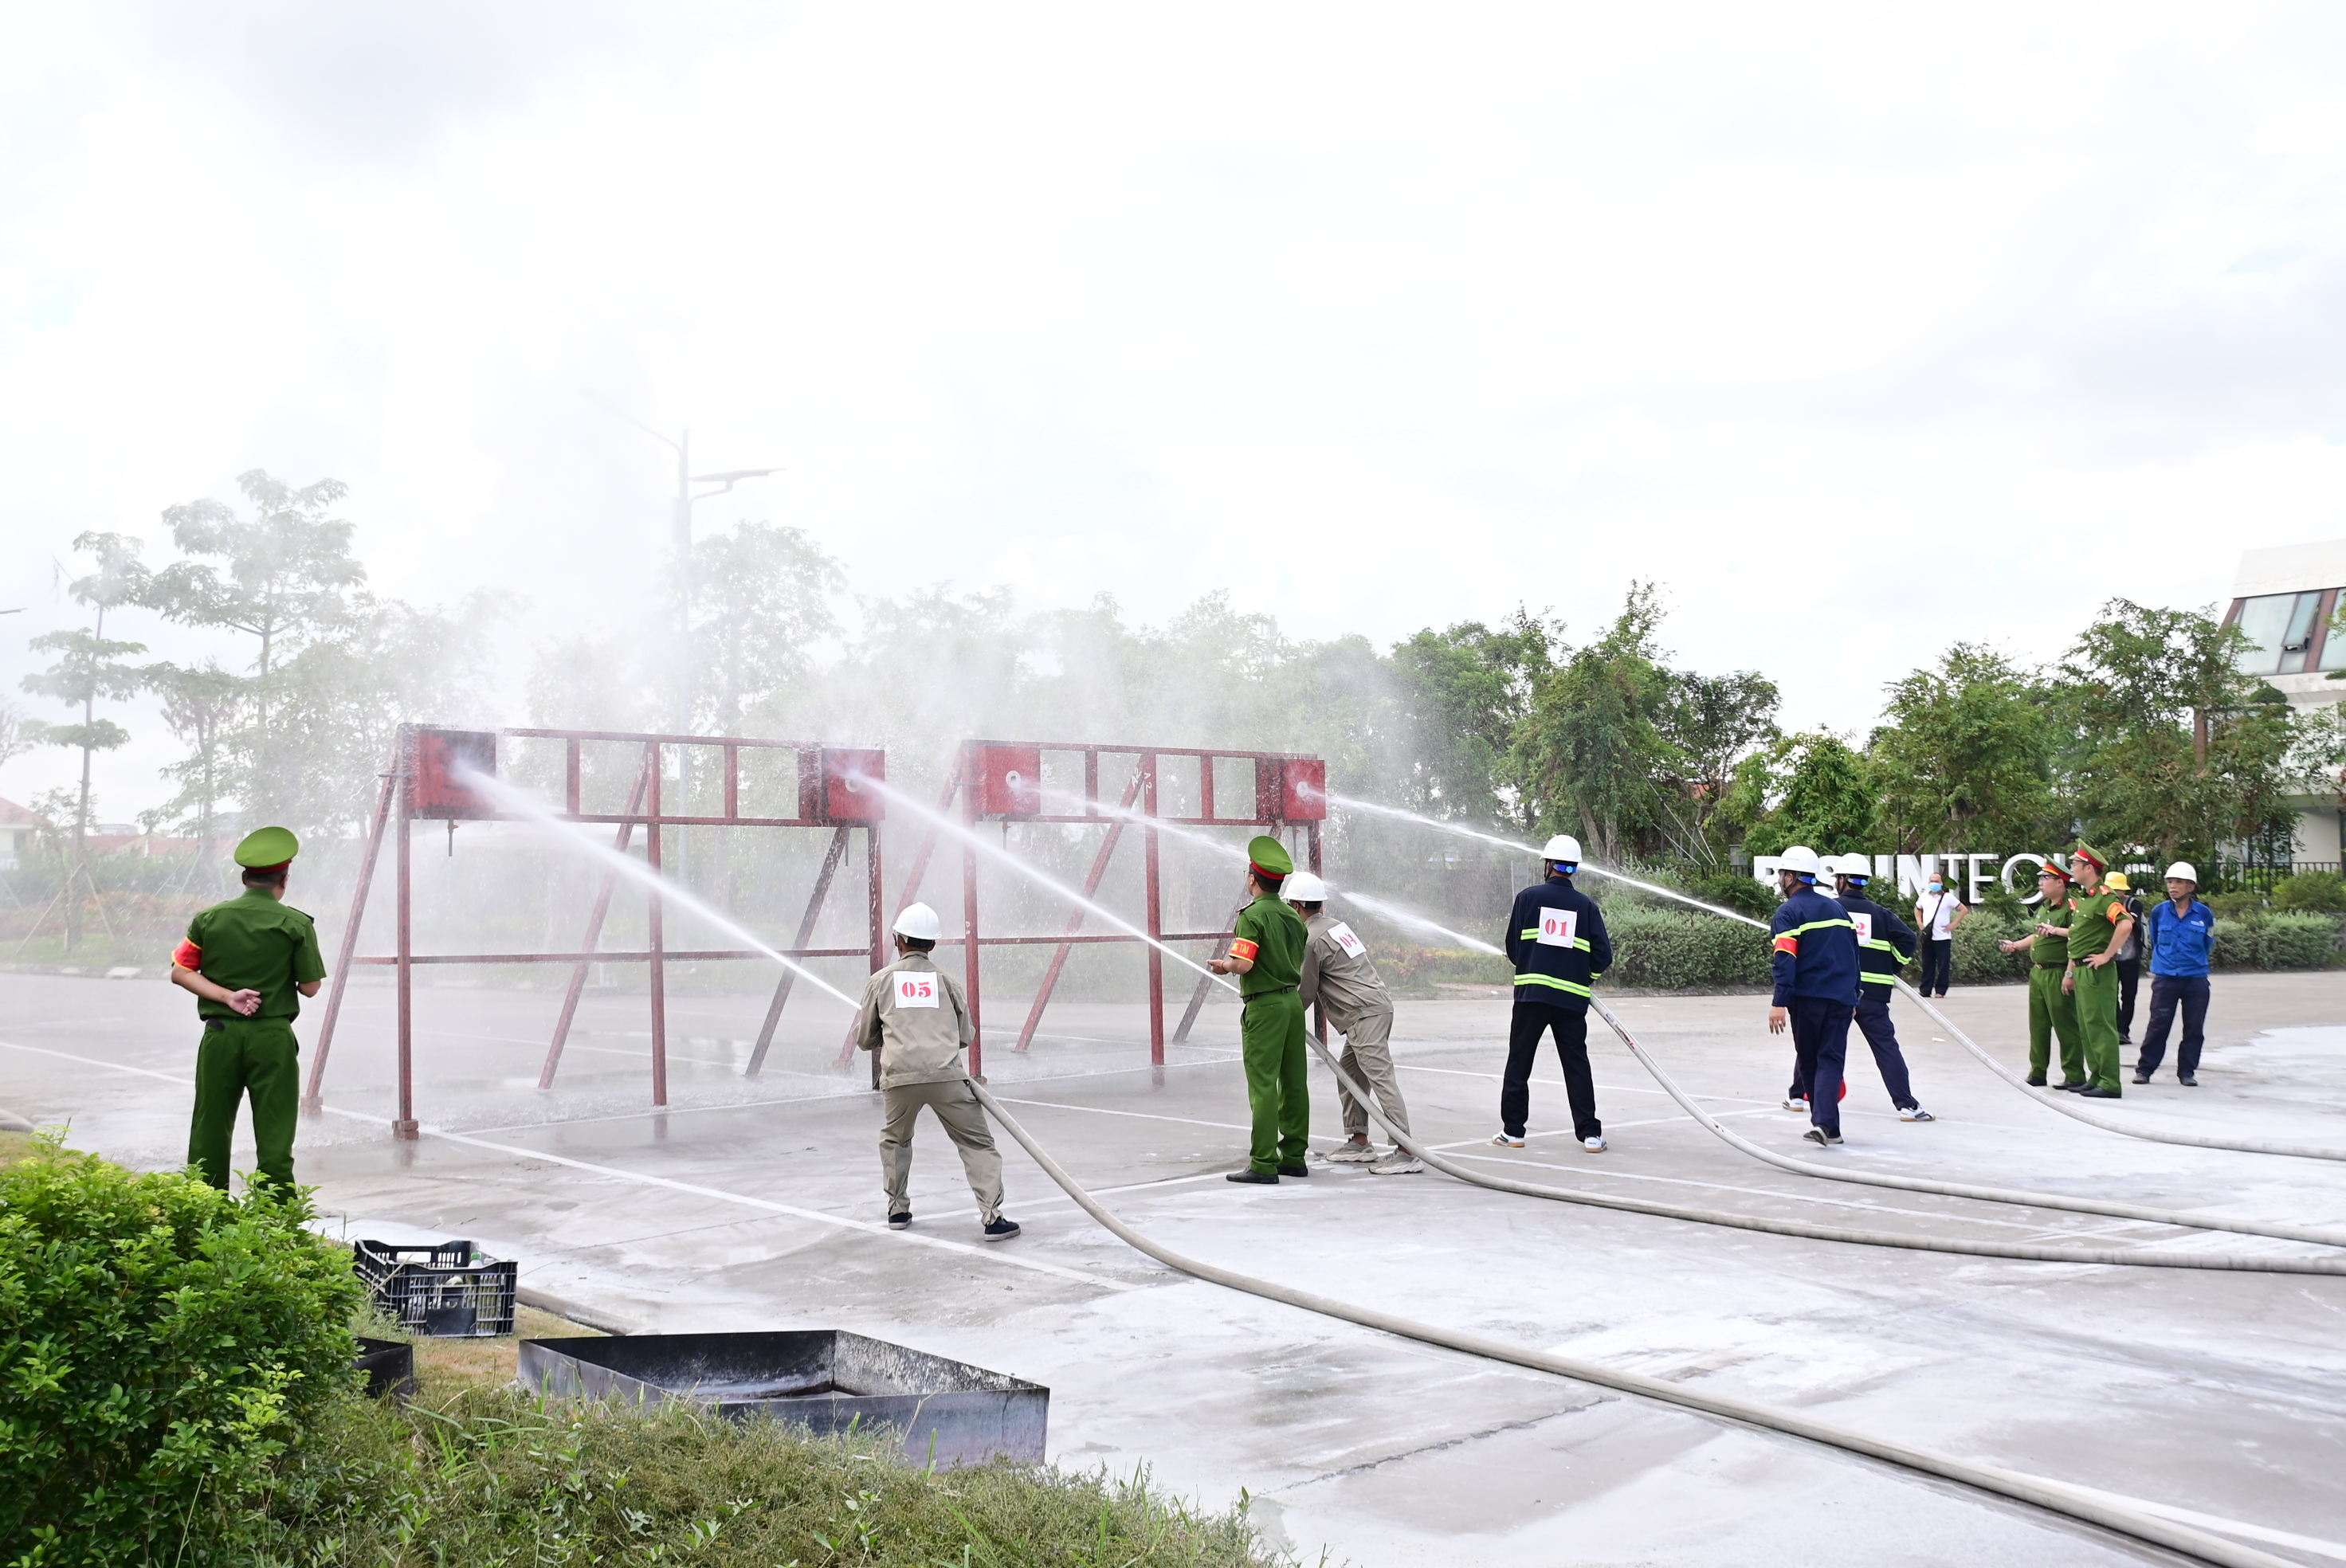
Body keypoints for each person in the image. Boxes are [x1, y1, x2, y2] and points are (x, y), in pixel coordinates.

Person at [170, 826, 326, 1194]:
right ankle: (274, 1220)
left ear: (244, 878)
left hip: (220, 1034)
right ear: (284, 880)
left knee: (209, 1127)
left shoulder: (209, 920)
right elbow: (311, 988)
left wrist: (227, 996)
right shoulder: (296, 924)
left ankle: (204, 1211)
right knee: (275, 1131)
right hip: (272, 1038)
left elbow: (180, 971)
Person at [853, 901, 1019, 1240]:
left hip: (899, 1080)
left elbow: (866, 1039)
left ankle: (898, 1210)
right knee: (976, 1143)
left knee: (895, 1140)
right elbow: (966, 1036)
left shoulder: (880, 982)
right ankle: (992, 1217)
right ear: (932, 944)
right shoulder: (947, 982)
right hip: (947, 1078)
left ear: (899, 940)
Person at [1288, 872, 1420, 1175]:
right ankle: (1359, 1141)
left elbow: (1305, 992)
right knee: (1349, 1072)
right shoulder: (1336, 928)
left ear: (1296, 906)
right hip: (1376, 1007)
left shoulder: (1310, 940)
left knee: (1380, 1079)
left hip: (1364, 1014)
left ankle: (1405, 1150)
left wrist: (1283, 1016)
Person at [1494, 834, 1613, 1153]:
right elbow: (1603, 956)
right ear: (1574, 869)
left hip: (1531, 997)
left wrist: (1532, 963)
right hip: (1571, 1001)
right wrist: (1583, 977)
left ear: (1548, 866)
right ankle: (1590, 1135)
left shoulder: (1527, 898)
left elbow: (1513, 948)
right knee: (1576, 1065)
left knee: (1519, 1061)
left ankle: (1513, 1132)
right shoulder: (1586, 906)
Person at [1209, 836, 1311, 1184]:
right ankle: (1294, 1156)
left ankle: (1264, 1162)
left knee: (1264, 1084)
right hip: (1292, 1004)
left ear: (1252, 879)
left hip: (1265, 1006)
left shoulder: (1252, 917)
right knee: (1295, 1081)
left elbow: (1244, 964)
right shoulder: (1293, 916)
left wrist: (1223, 965)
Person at [1766, 846, 1861, 1147]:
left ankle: (1823, 1123)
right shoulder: (1838, 909)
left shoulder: (1789, 912)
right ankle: (1829, 1128)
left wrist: (1779, 1002)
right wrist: (1854, 995)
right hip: (1842, 998)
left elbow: (1785, 959)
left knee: (1809, 1059)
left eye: (1782, 874)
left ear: (1792, 877)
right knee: (1831, 1059)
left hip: (1808, 999)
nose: (1780, 880)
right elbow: (1853, 956)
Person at [1829, 855, 1933, 1122]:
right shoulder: (1880, 914)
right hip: (1873, 996)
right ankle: (1908, 1106)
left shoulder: (1830, 910)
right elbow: (1909, 940)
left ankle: (1798, 1095)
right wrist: (1891, 967)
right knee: (1886, 1048)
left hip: (1837, 993)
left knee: (1823, 1044)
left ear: (1842, 880)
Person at [2056, 842, 2134, 1099]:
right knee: (2088, 1027)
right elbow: (2078, 940)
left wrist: (2107, 955)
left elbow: (2126, 924)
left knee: (2101, 1026)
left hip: (2096, 971)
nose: (2072, 869)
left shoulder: (2104, 897)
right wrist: (2070, 972)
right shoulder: (2085, 900)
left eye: (2075, 864)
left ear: (2088, 867)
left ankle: (2110, 1082)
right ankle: (2096, 1076)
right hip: (2081, 970)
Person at [2000, 863, 2084, 1090]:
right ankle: (2038, 1071)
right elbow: (2037, 936)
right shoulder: (2044, 908)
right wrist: (2015, 945)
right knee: (2038, 1025)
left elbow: (2077, 940)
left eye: (2046, 878)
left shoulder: (2072, 907)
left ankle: (2074, 1074)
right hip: (2038, 972)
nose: (2041, 883)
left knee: (2066, 1025)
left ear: (2060, 882)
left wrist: (2070, 973)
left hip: (2058, 972)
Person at [2136, 862, 2217, 1087]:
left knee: (2194, 1027)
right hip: (2166, 978)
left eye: (2179, 882)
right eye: (2170, 882)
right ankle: (2145, 1070)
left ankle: (2187, 1072)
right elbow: (2154, 938)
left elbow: (2209, 941)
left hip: (2196, 978)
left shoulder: (2204, 914)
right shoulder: (2160, 912)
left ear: (2191, 887)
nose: (2173, 886)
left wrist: (2194, 961)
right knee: (2158, 1025)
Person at [1912, 868, 1968, 998]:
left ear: (1941, 883)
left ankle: (1940, 990)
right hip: (1928, 936)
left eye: (1936, 881)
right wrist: (1920, 923)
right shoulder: (1924, 897)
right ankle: (1925, 989)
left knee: (1943, 965)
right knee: (1927, 964)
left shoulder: (1948, 898)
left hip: (1943, 937)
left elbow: (1963, 910)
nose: (1934, 883)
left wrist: (1954, 924)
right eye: (1932, 881)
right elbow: (1918, 909)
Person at [2106, 872, 2146, 1046]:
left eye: (2117, 890)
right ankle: (2115, 1028)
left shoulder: (2134, 904)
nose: (2113, 893)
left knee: (2129, 995)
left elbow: (2130, 922)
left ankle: (2124, 1030)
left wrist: (2117, 910)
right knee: (2110, 994)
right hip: (2111, 958)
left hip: (2130, 957)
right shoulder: (2103, 903)